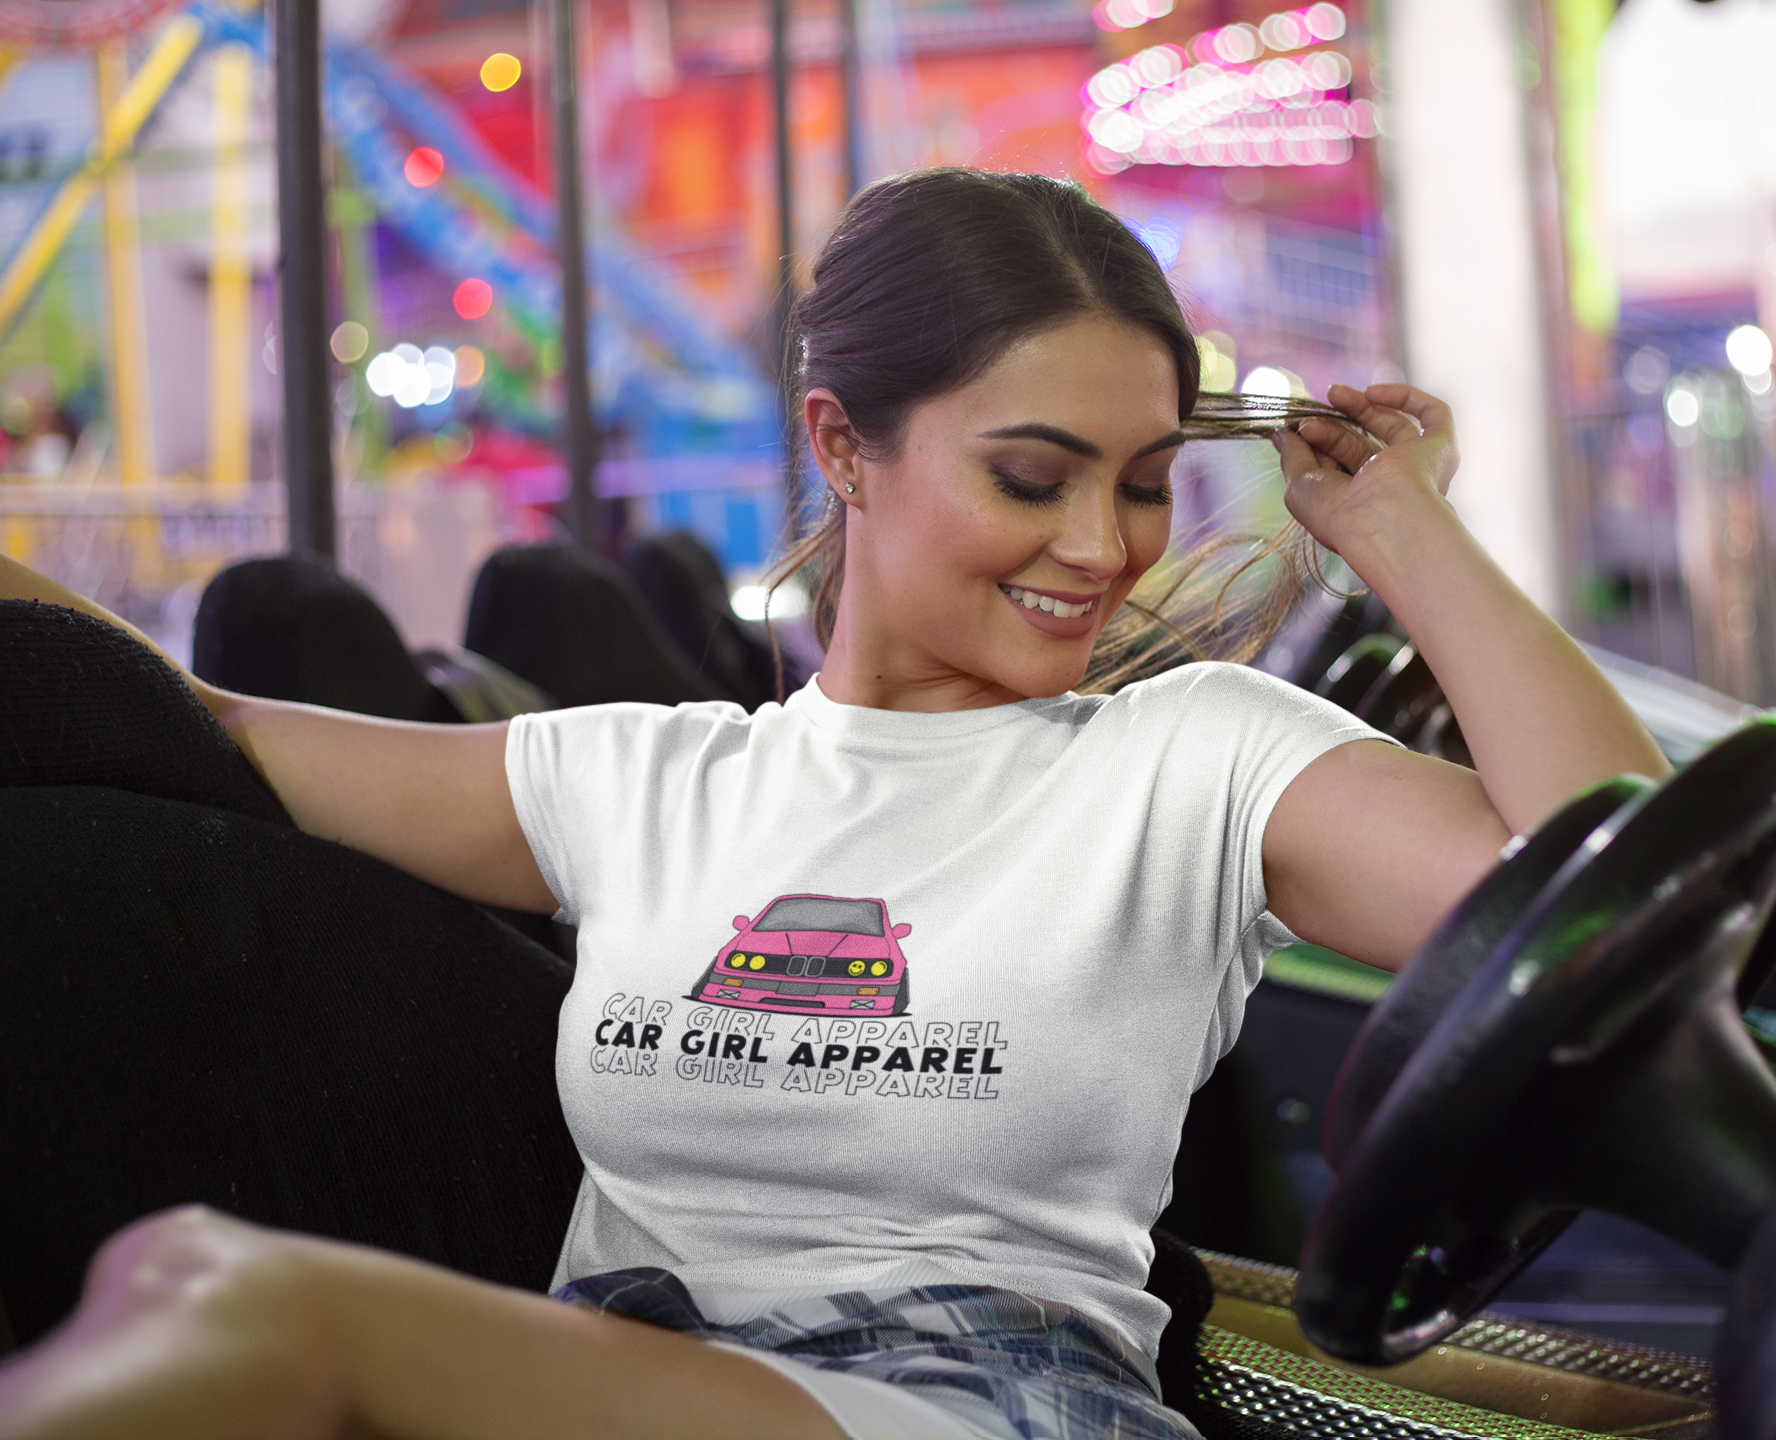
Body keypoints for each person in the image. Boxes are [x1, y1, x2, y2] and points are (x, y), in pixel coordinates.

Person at [0, 167, 1666, 1440]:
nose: (1100, 545)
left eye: (1146, 483)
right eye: (1035, 476)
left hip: (989, 1399)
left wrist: (1404, 529)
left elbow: (1632, 892)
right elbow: (191, 714)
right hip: (639, 1372)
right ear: (844, 447)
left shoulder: (1200, 759)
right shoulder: (639, 776)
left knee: (235, 1300)